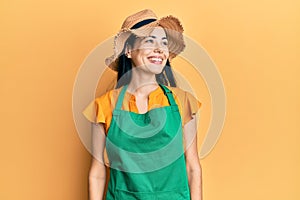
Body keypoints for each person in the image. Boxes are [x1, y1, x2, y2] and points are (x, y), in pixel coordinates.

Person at [83, 9, 203, 200]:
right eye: (149, 41)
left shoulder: (184, 102)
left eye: (163, 43)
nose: (159, 49)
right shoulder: (104, 105)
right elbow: (97, 171)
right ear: (129, 51)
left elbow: (192, 166)